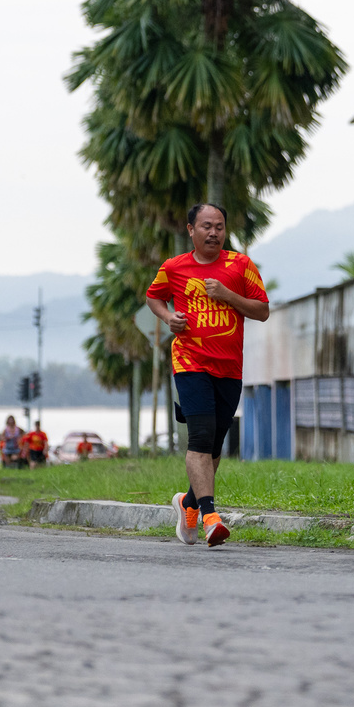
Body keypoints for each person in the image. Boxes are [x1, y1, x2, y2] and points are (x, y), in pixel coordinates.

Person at [146, 203, 270, 547]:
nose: (213, 232)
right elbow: (153, 298)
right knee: (200, 438)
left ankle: (188, 503)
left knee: (214, 445)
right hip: (190, 362)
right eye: (206, 226)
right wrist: (168, 317)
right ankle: (210, 517)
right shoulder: (174, 267)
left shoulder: (240, 265)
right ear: (191, 230)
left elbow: (262, 310)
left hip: (229, 368)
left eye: (219, 226)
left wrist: (227, 295)